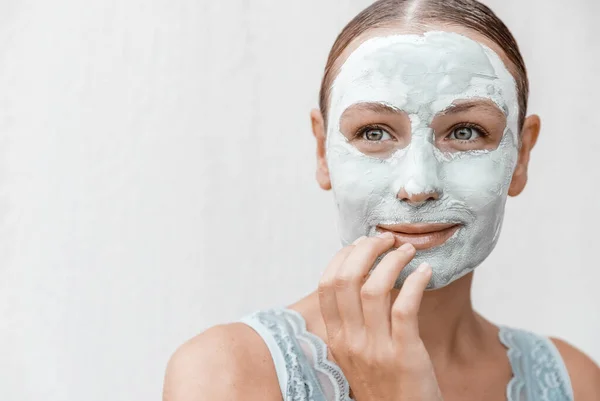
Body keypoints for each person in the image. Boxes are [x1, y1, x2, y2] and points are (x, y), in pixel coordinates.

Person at [162, 1, 600, 400]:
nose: (417, 185)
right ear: (322, 151)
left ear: (521, 157)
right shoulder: (225, 374)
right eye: (374, 133)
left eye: (465, 132)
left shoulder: (573, 381)